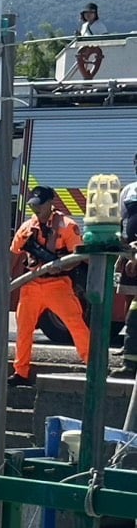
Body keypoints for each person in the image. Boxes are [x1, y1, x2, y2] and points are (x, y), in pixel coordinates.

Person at [9, 185, 89, 388]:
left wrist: (60, 265)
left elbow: (78, 257)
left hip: (59, 286)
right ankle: (21, 372)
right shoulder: (28, 227)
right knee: (24, 329)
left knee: (76, 326)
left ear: (49, 204)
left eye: (39, 206)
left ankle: (93, 366)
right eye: (33, 206)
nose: (35, 210)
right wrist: (4, 278)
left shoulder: (67, 226)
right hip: (31, 284)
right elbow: (13, 252)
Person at [117, 151, 137, 376]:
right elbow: (120, 218)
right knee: (129, 297)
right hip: (131, 253)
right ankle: (128, 343)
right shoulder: (129, 190)